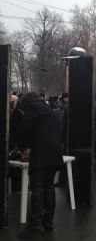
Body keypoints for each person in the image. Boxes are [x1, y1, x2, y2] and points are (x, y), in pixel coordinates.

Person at [17, 92, 63, 238]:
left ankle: (35, 225)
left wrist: (22, 149)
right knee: (49, 187)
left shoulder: (31, 110)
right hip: (55, 153)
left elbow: (24, 130)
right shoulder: (50, 109)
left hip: (40, 154)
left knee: (37, 188)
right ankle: (48, 223)